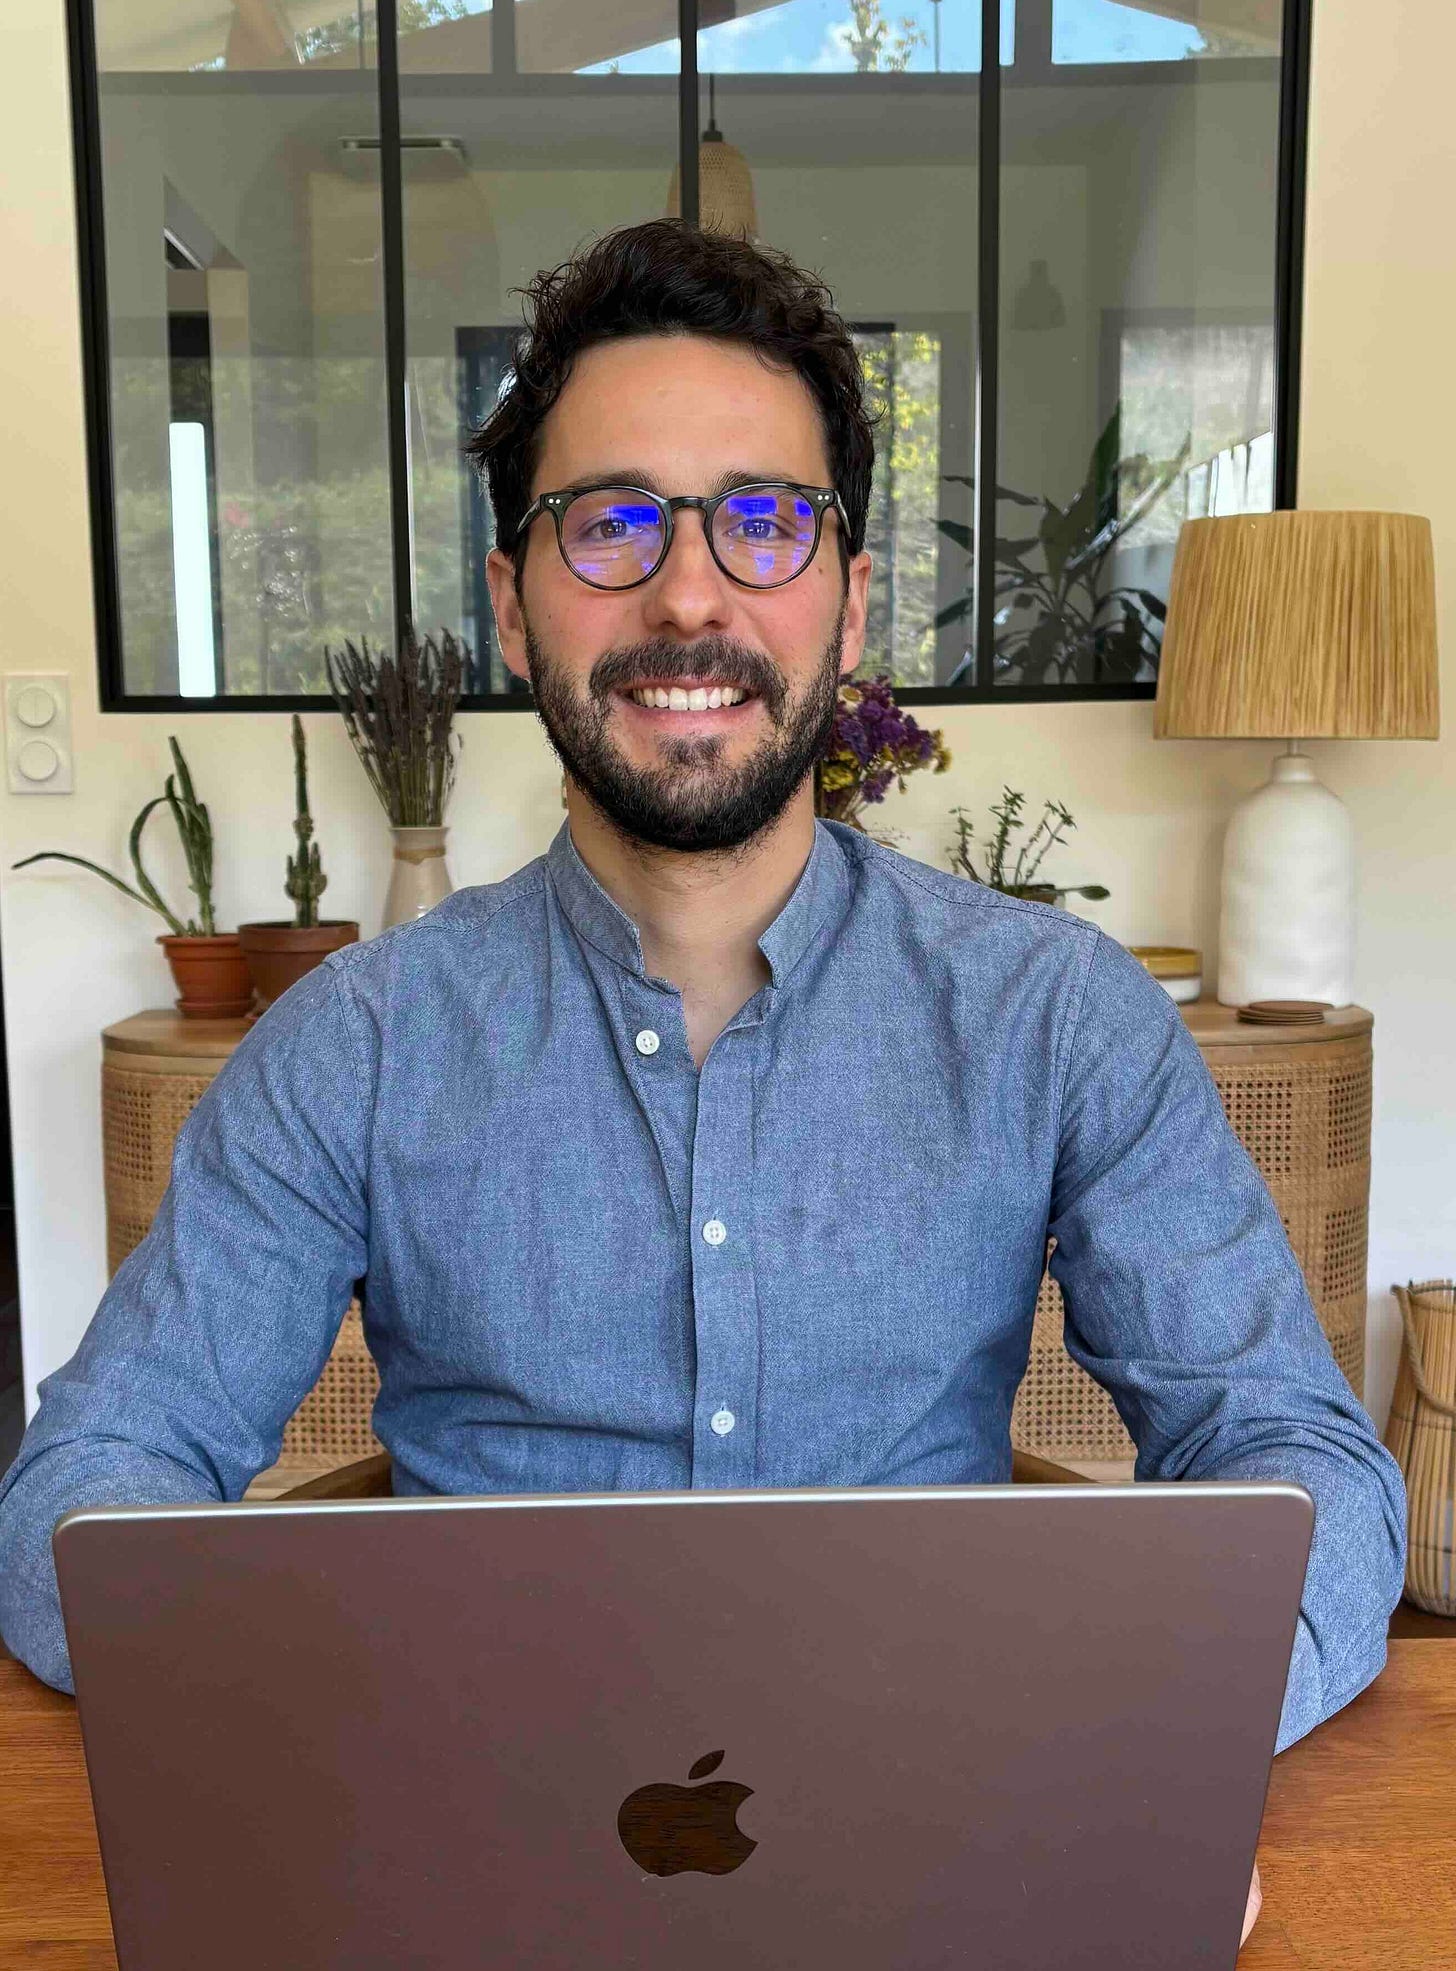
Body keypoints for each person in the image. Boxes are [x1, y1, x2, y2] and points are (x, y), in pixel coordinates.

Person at [0, 221, 1403, 1948]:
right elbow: (83, 1500)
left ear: (849, 600)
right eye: (610, 523)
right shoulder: (351, 1044)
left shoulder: (1057, 1018)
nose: (687, 595)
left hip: (951, 1864)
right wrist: (338, 1745)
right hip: (460, 1886)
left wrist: (1144, 1755)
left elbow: (1306, 1467)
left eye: (763, 520)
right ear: (511, 602)